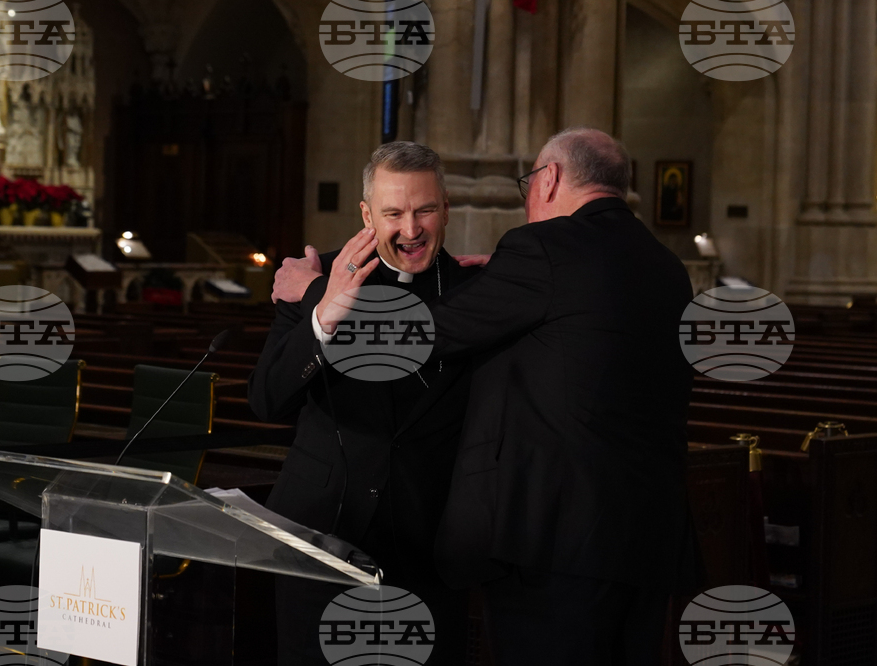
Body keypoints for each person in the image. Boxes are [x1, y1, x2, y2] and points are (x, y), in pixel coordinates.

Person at [282, 128, 700, 665]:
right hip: (646, 543)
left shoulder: (544, 249)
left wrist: (315, 294)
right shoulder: (667, 268)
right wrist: (500, 286)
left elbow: (424, 333)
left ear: (548, 180)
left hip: (555, 545)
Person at [248, 141, 479, 666]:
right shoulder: (314, 276)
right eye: (393, 213)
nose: (411, 229)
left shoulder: (476, 287)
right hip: (320, 537)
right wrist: (324, 314)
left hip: (430, 542)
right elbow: (266, 400)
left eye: (424, 210)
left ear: (445, 208)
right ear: (366, 214)